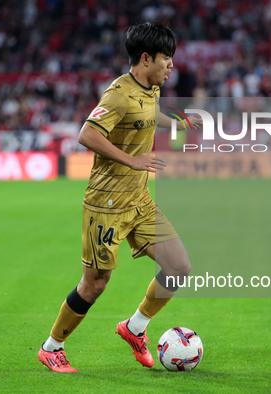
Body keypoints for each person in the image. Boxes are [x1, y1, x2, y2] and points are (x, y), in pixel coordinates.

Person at [37, 22, 201, 372]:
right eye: (166, 58)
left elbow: (148, 115)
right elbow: (87, 134)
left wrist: (180, 122)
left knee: (179, 267)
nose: (171, 64)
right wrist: (133, 160)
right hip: (106, 206)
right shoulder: (117, 94)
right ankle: (52, 347)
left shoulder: (151, 88)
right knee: (95, 283)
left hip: (139, 201)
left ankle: (135, 327)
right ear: (146, 58)